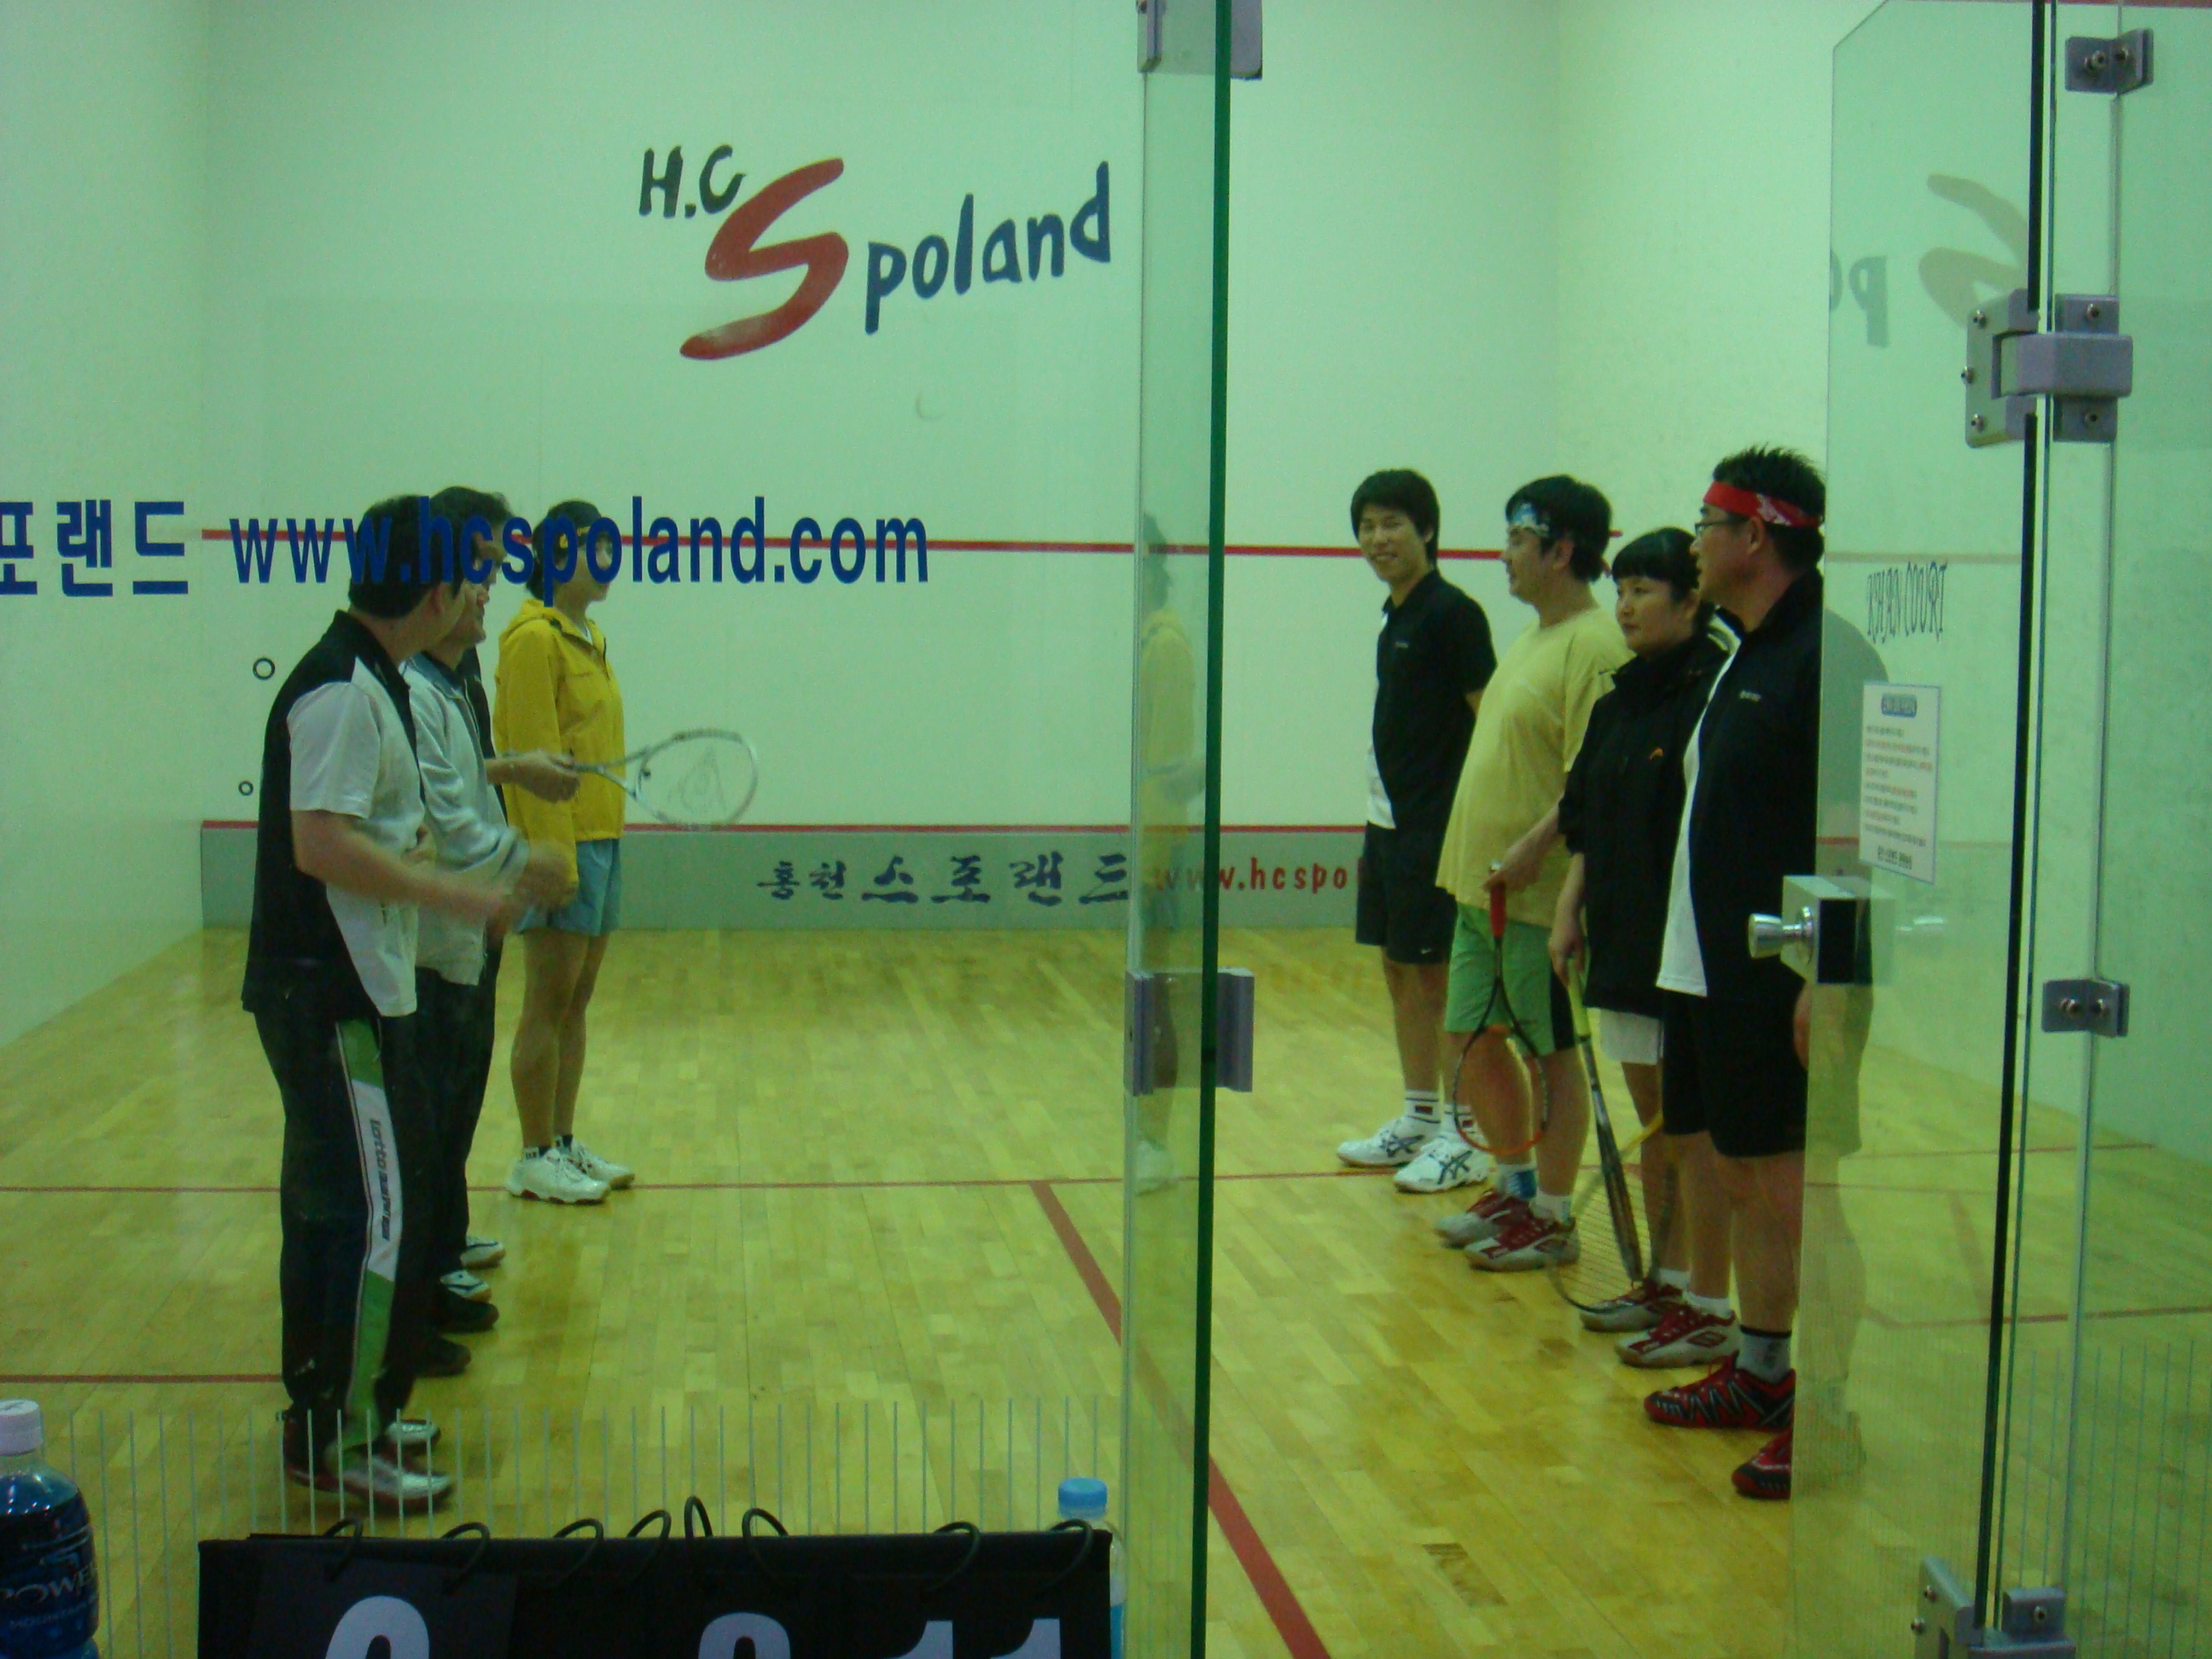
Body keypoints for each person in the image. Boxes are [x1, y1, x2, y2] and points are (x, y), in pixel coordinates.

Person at [242, 494, 522, 1502]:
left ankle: (344, 1411)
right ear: (436, 591)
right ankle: (343, 1436)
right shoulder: (341, 691)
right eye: (472, 575)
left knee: (344, 1212)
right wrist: (454, 892)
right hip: (334, 1000)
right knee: (373, 1216)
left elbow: (366, 829)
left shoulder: (376, 679)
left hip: (356, 992)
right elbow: (321, 844)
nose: (481, 591)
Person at [1639, 445, 1830, 1501]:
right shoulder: (1743, 654)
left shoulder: (1825, 657)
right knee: (1746, 1178)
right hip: (1712, 967)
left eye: (1707, 525)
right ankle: (1762, 1373)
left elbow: (1864, 834)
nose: (1695, 543)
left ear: (1755, 536)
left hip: (1783, 977)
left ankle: (1828, 1412)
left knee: (1798, 1195)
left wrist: (1826, 975)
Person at [1417, 477, 1631, 1260]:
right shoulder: (1534, 638)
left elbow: (1591, 780)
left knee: (1551, 1057)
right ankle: (1514, 1190)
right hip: (1482, 893)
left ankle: (1553, 1214)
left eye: (1516, 540)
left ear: (1561, 549)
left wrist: (1534, 850)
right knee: (1469, 1042)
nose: (1503, 554)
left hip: (1539, 902)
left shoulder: (1595, 647)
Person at [1541, 528, 1734, 1356]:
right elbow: (1586, 819)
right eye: (1620, 589)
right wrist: (1569, 910)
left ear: (1691, 602)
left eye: (1643, 590)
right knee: (1655, 1121)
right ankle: (1666, 1280)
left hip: (1684, 949)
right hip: (1621, 939)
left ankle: (1704, 1297)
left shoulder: (1713, 694)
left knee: (1686, 1131)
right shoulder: (1618, 701)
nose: (1623, 605)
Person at [405, 486, 578, 1343]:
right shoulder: (406, 684)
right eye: (478, 568)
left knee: (459, 1093)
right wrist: (522, 863)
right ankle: (426, 1261)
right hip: (431, 938)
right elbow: (444, 812)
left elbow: (466, 775)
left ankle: (444, 1235)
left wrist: (513, 771)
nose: (488, 587)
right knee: (431, 1105)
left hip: (473, 926)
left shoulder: (457, 673)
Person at [1334, 470, 1498, 1178]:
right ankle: (1420, 1117)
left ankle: (1465, 1133)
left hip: (1438, 831)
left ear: (1427, 529)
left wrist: (1475, 827)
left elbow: (1489, 722)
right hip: (1389, 825)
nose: (1379, 538)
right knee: (1398, 966)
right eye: (1367, 526)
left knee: (1438, 979)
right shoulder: (1394, 615)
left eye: (1393, 523)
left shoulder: (1453, 614)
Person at [493, 502, 634, 1202]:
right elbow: (532, 757)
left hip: (605, 839)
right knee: (545, 1003)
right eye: (593, 548)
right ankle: (532, 1153)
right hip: (563, 850)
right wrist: (554, 859)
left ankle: (563, 1141)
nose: (607, 561)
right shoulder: (532, 641)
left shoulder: (590, 637)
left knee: (576, 1002)